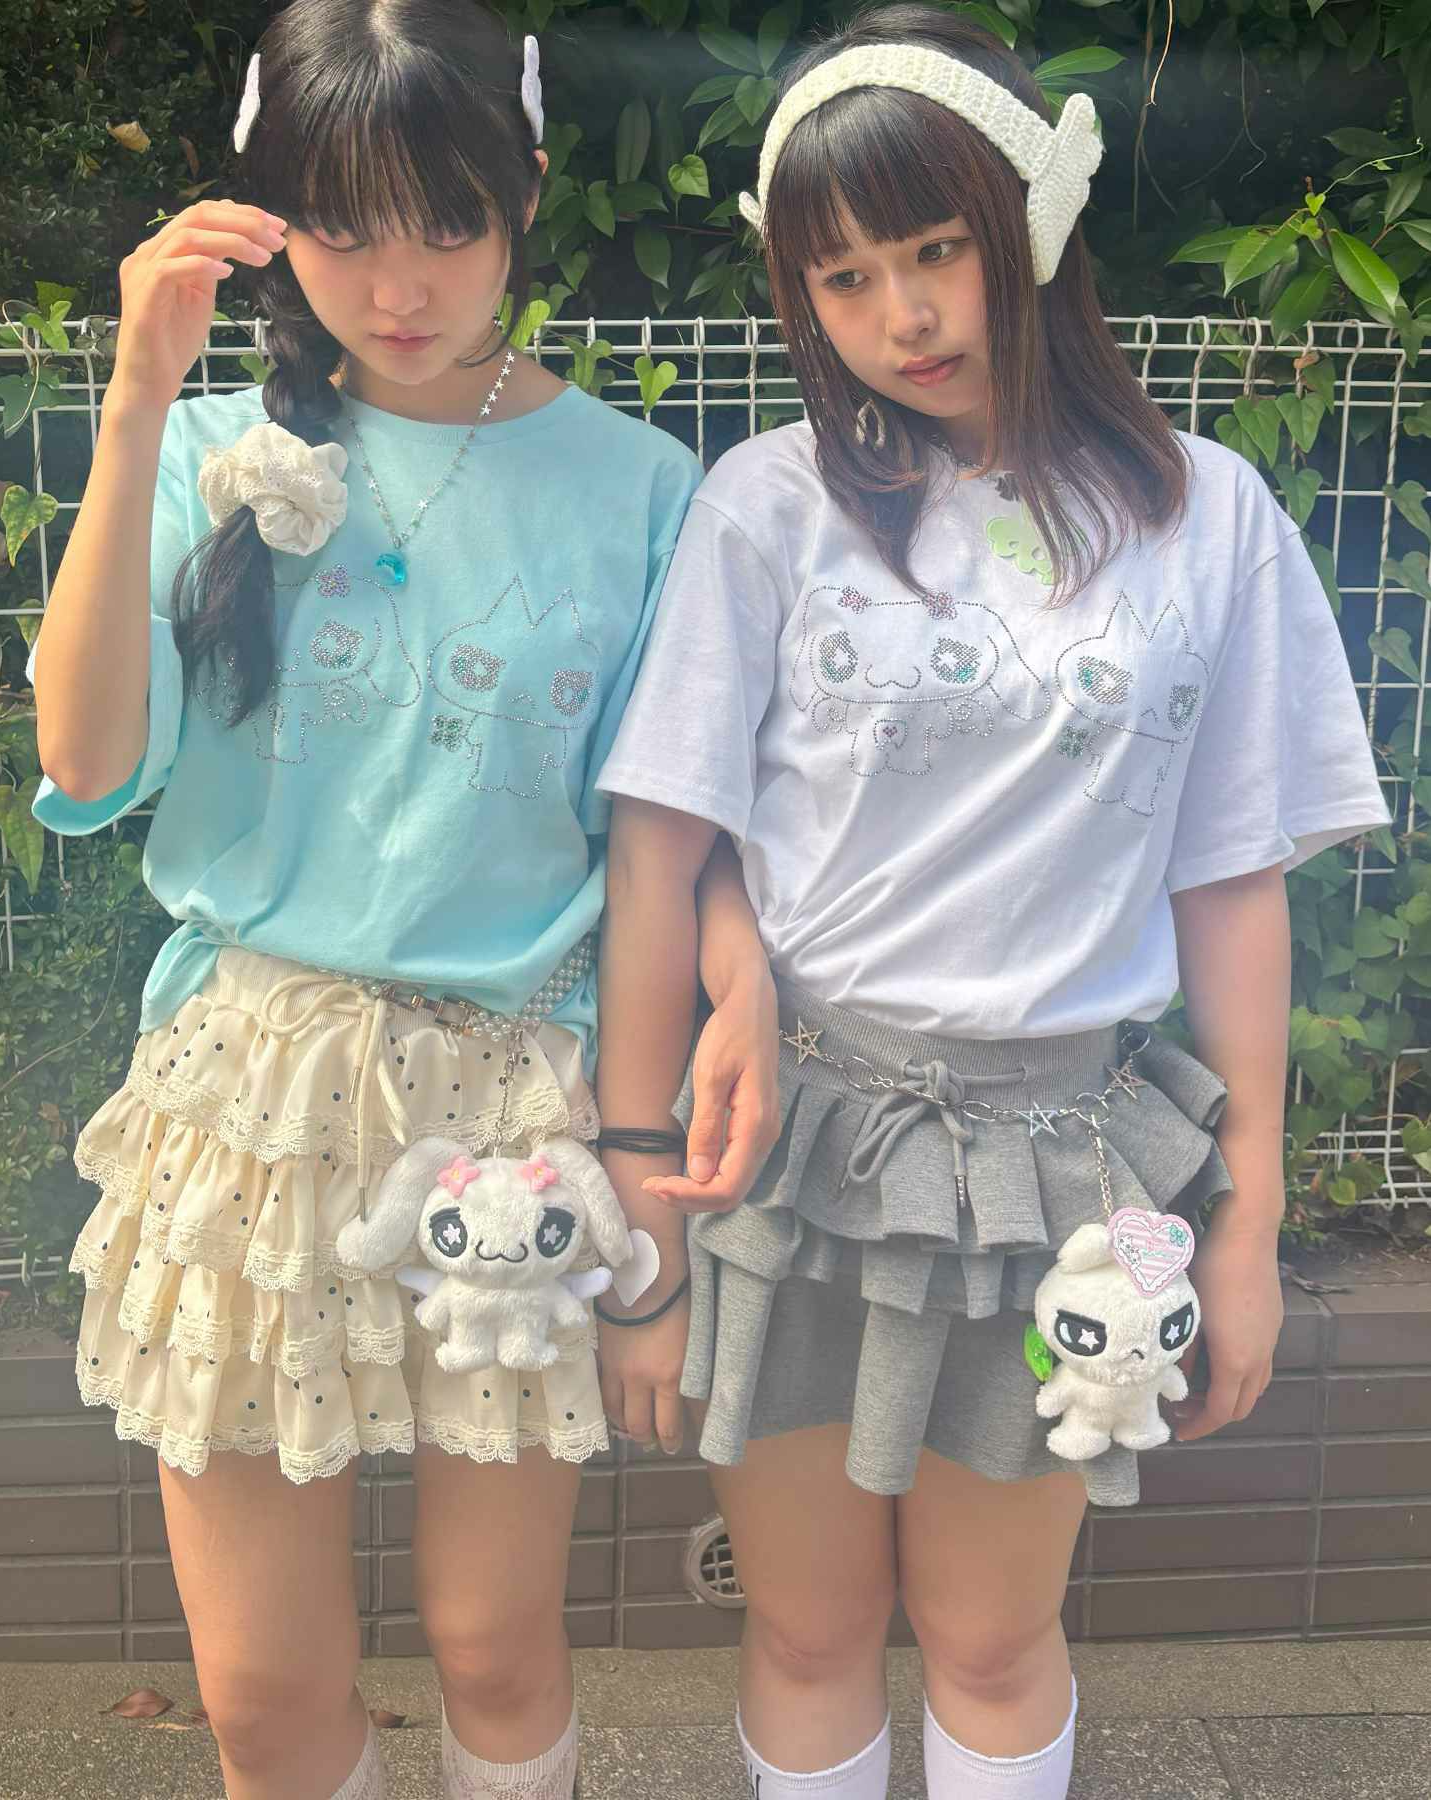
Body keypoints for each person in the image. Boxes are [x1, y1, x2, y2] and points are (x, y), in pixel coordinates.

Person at [594, 8, 1389, 1799]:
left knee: (995, 1637)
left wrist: (1247, 1223)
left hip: (1063, 1173)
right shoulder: (764, 508)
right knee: (807, 1630)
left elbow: (1232, 882)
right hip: (795, 1154)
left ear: (1031, 219)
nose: (904, 314)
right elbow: (664, 851)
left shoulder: (1208, 517)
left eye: (937, 247)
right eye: (845, 276)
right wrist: (639, 1197)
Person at [26, 4, 739, 1795]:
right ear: (271, 222)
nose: (401, 284)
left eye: (450, 221)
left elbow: (664, 854)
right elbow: (89, 758)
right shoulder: (204, 448)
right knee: (263, 1691)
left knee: (496, 1647)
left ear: (529, 196)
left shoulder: (648, 491)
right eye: (343, 229)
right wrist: (133, 407)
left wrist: (668, 1130)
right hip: (251, 1100)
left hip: (514, 1109)